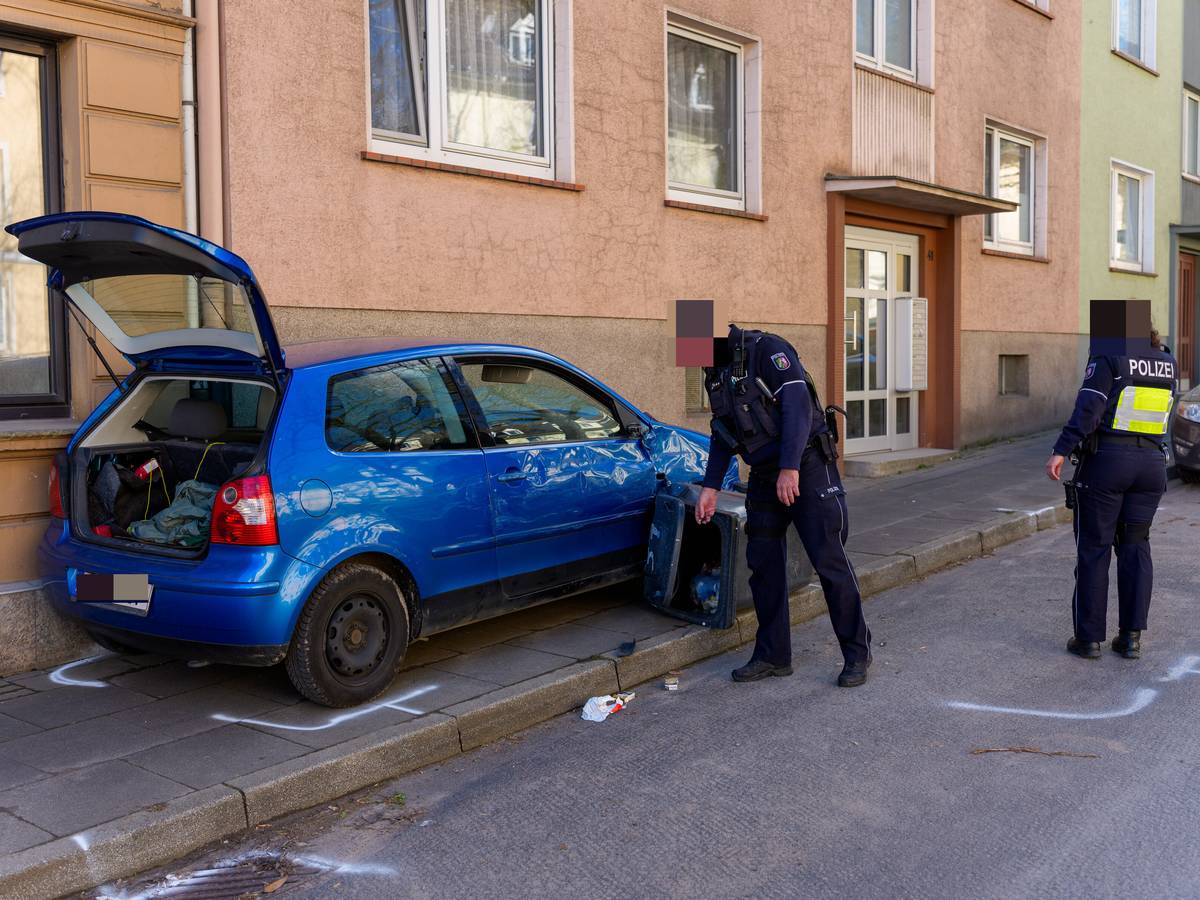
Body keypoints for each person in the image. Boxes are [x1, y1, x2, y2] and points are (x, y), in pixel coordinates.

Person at [695, 324, 872, 687]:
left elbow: (797, 408)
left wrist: (790, 467)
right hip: (763, 473)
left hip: (806, 466)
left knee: (830, 563)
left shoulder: (767, 350)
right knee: (763, 566)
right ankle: (773, 655)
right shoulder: (714, 371)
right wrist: (710, 487)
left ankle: (857, 654)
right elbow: (722, 430)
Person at [1046, 303, 1178, 660]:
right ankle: (1131, 638)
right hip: (1151, 465)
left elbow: (1089, 408)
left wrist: (1061, 450)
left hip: (1107, 463)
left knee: (1095, 548)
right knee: (1136, 547)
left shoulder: (1109, 358)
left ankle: (1088, 640)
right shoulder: (1167, 361)